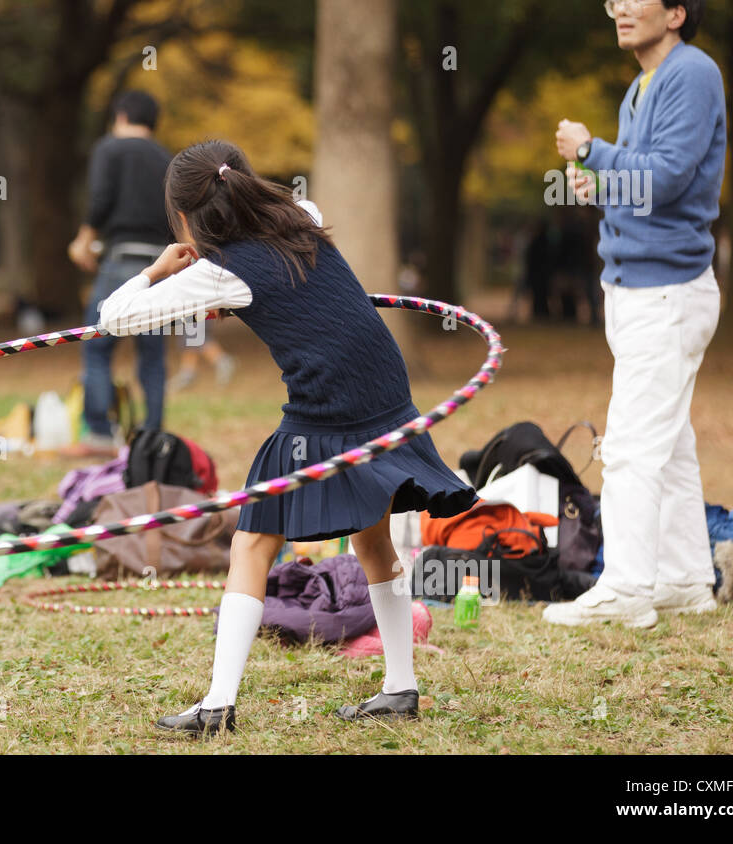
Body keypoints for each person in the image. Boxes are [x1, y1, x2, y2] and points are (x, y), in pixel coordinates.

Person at [97, 141, 477, 735]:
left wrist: (160, 270)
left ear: (184, 218)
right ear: (246, 183)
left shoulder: (220, 272)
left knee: (252, 544)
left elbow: (114, 317)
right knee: (371, 538)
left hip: (327, 409)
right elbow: (297, 287)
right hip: (382, 393)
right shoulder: (305, 218)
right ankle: (401, 686)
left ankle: (218, 705)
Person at [548, 0, 725, 627]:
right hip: (634, 289)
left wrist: (594, 153)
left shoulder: (693, 72)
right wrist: (604, 188)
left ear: (675, 13)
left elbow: (673, 176)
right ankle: (682, 580)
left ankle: (625, 590)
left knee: (628, 446)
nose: (622, 9)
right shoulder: (641, 86)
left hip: (668, 292)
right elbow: (644, 182)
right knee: (670, 445)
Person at [67, 90, 174, 456]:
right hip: (160, 264)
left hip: (121, 259)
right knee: (153, 354)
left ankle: (98, 433)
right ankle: (153, 434)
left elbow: (100, 199)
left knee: (97, 346)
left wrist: (83, 241)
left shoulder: (109, 149)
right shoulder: (167, 158)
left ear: (122, 116)